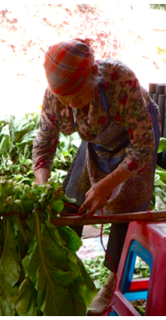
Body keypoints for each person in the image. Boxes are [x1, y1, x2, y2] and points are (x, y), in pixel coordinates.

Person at [33, 39, 161, 317]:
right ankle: (62, 273)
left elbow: (142, 146)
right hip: (98, 140)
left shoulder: (119, 81)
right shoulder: (56, 97)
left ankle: (112, 281)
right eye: (66, 101)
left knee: (124, 207)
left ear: (94, 77)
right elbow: (43, 146)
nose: (72, 105)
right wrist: (43, 188)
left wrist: (107, 185)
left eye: (78, 98)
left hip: (135, 136)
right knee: (70, 200)